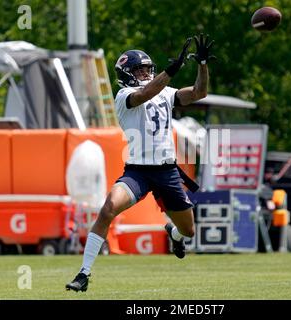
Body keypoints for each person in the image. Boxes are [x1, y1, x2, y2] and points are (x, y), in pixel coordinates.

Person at [66, 34, 215, 292]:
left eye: (148, 69)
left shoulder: (166, 92)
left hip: (167, 171)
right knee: (108, 208)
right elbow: (146, 93)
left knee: (188, 231)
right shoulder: (124, 95)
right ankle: (83, 273)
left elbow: (200, 92)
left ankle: (175, 234)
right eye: (139, 69)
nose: (145, 73)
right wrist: (171, 71)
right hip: (138, 171)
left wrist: (202, 65)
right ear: (126, 73)